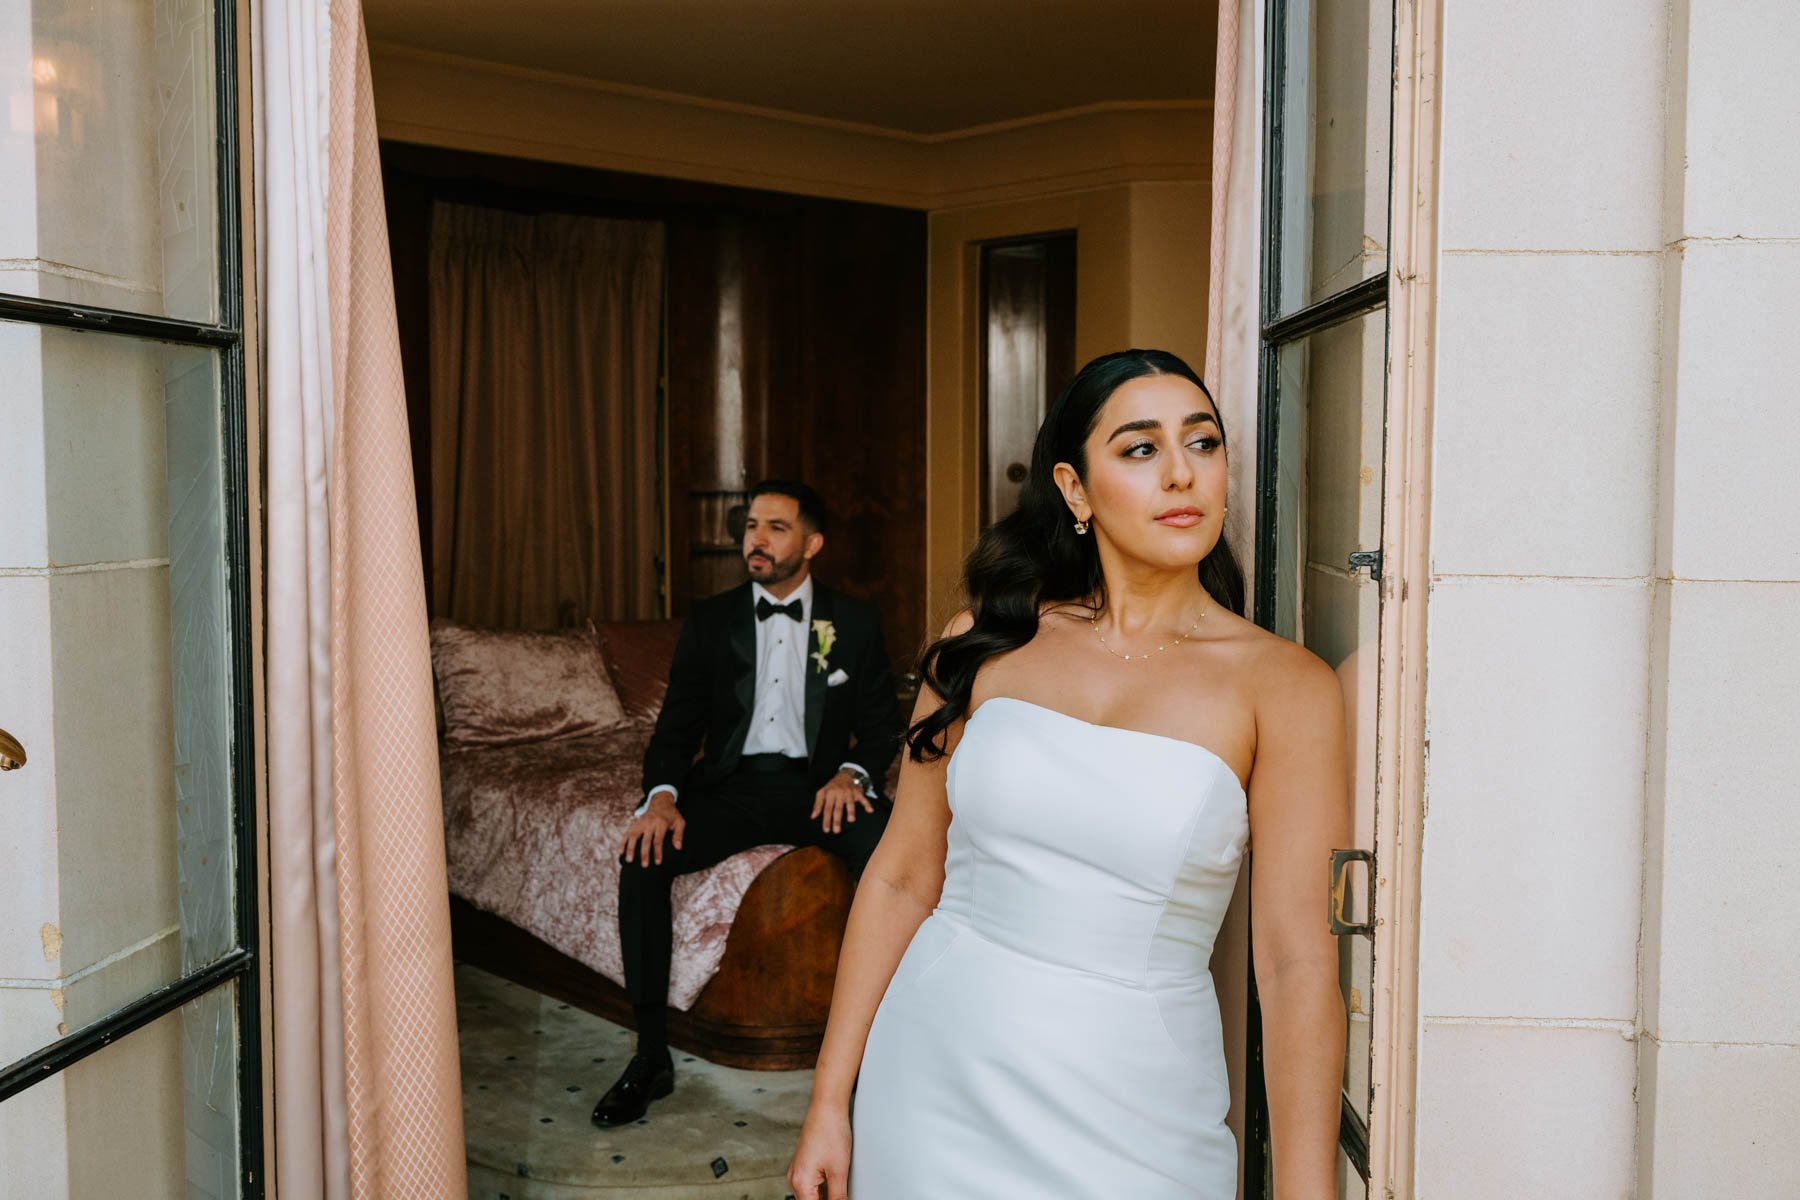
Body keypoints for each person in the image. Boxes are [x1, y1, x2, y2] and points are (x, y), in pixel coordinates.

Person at [788, 350, 1349, 1198]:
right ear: (1075, 489)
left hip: (1140, 1108)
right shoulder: (984, 640)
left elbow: (1296, 964)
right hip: (934, 1075)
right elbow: (902, 877)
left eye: (1203, 442)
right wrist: (831, 1100)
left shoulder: (1284, 685)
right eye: (1139, 448)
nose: (1181, 473)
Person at [590, 479, 905, 1127]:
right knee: (642, 858)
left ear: (812, 543)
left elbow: (881, 724)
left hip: (817, 789)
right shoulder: (712, 620)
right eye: (751, 526)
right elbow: (675, 726)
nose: (755, 540)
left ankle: (889, 1052)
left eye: (776, 528)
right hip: (733, 789)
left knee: (891, 858)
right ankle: (650, 1056)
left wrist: (853, 772)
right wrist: (662, 797)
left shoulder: (853, 622)